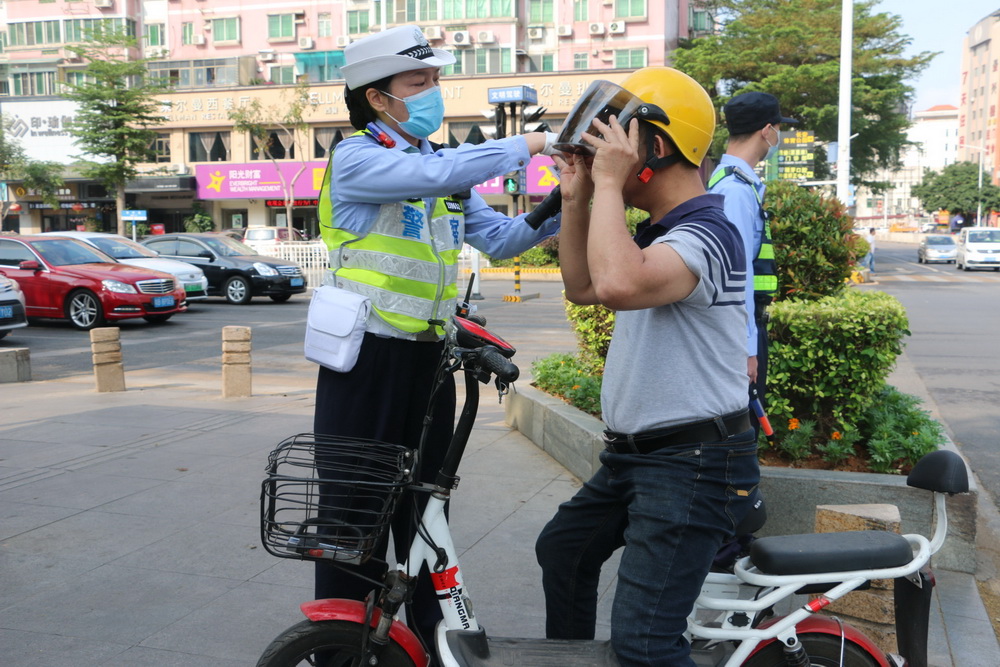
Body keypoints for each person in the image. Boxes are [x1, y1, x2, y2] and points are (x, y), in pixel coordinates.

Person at [314, 24, 561, 655]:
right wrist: (529, 143)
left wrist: (568, 197)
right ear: (377, 97)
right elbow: (451, 167)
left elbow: (504, 239)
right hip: (366, 363)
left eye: (434, 82)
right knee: (355, 515)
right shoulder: (358, 159)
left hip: (428, 365)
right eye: (418, 83)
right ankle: (344, 646)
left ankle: (426, 641)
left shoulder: (436, 169)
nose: (432, 95)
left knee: (426, 511)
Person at [535, 67, 760, 666]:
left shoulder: (709, 233)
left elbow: (614, 283)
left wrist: (606, 186)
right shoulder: (663, 231)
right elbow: (583, 284)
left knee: (645, 642)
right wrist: (582, 196)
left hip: (691, 465)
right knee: (566, 551)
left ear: (654, 148)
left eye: (615, 142)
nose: (603, 155)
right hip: (639, 455)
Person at [707, 91, 796, 439]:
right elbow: (737, 274)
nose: (778, 138)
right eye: (778, 130)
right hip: (742, 331)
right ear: (767, 131)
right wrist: (746, 349)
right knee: (741, 428)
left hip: (746, 327)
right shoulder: (736, 190)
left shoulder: (734, 183)